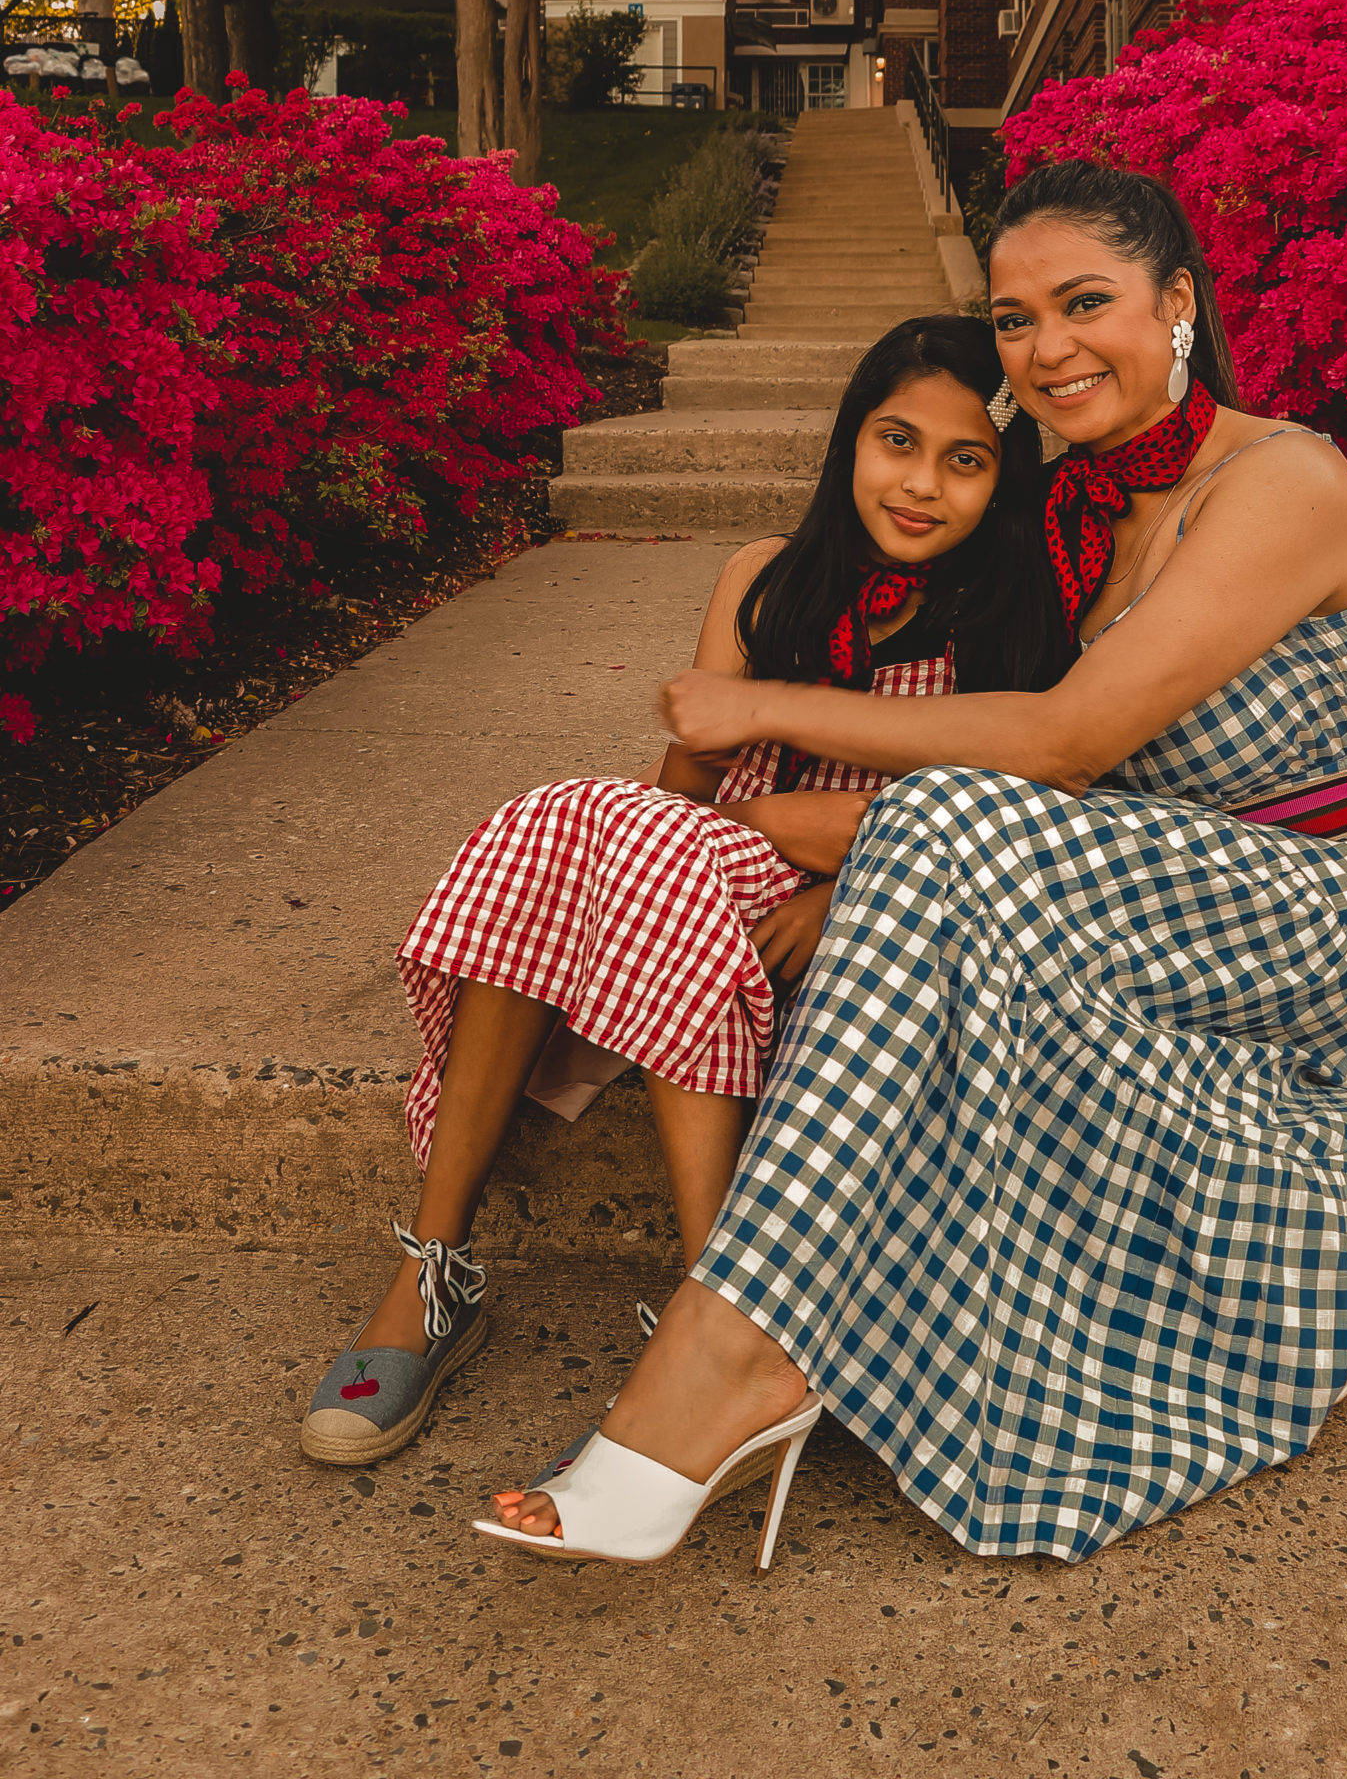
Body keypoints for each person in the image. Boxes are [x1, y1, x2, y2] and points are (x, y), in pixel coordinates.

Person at [478, 160, 1347, 1571]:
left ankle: (730, 1350)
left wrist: (759, 711)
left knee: (938, 821)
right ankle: (744, 1345)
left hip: (1318, 896)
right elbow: (1008, 745)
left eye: (1083, 304)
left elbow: (1059, 742)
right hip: (1145, 879)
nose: (1045, 349)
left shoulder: (1281, 477)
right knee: (920, 840)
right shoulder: (1065, 508)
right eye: (1012, 321)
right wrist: (770, 834)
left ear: (1175, 303)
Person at [301, 315, 1067, 1466]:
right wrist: (682, 864)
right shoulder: (763, 578)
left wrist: (835, 890)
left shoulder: (1010, 620)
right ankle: (434, 1263)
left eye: (966, 461)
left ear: (1003, 481)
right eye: (895, 441)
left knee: (615, 839)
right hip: (717, 895)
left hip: (890, 918)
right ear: (849, 439)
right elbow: (685, 796)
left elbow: (1004, 816)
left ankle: (723, 1310)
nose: (920, 485)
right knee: (571, 832)